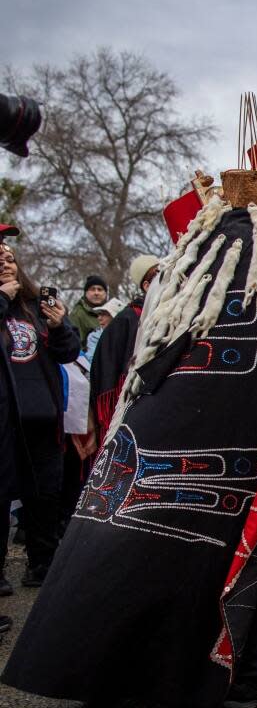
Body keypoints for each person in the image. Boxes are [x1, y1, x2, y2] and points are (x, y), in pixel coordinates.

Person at [3, 157, 257, 708]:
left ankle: (127, 672)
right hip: (248, 455)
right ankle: (251, 675)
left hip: (161, 439)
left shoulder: (186, 272)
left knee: (160, 554)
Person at [1, 234, 81, 591]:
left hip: (43, 421)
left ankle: (41, 564)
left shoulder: (32, 306)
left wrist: (59, 325)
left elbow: (67, 353)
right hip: (5, 423)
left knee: (45, 496)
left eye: (10, 258)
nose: (6, 263)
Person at [89, 254, 159, 443]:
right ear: (147, 286)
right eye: (162, 275)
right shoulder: (128, 319)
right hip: (127, 405)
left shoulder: (165, 316)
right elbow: (106, 369)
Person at [68, 274, 108, 347]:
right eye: (92, 289)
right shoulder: (77, 314)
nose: (96, 293)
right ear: (86, 293)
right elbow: (73, 345)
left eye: (100, 289)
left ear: (105, 293)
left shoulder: (113, 313)